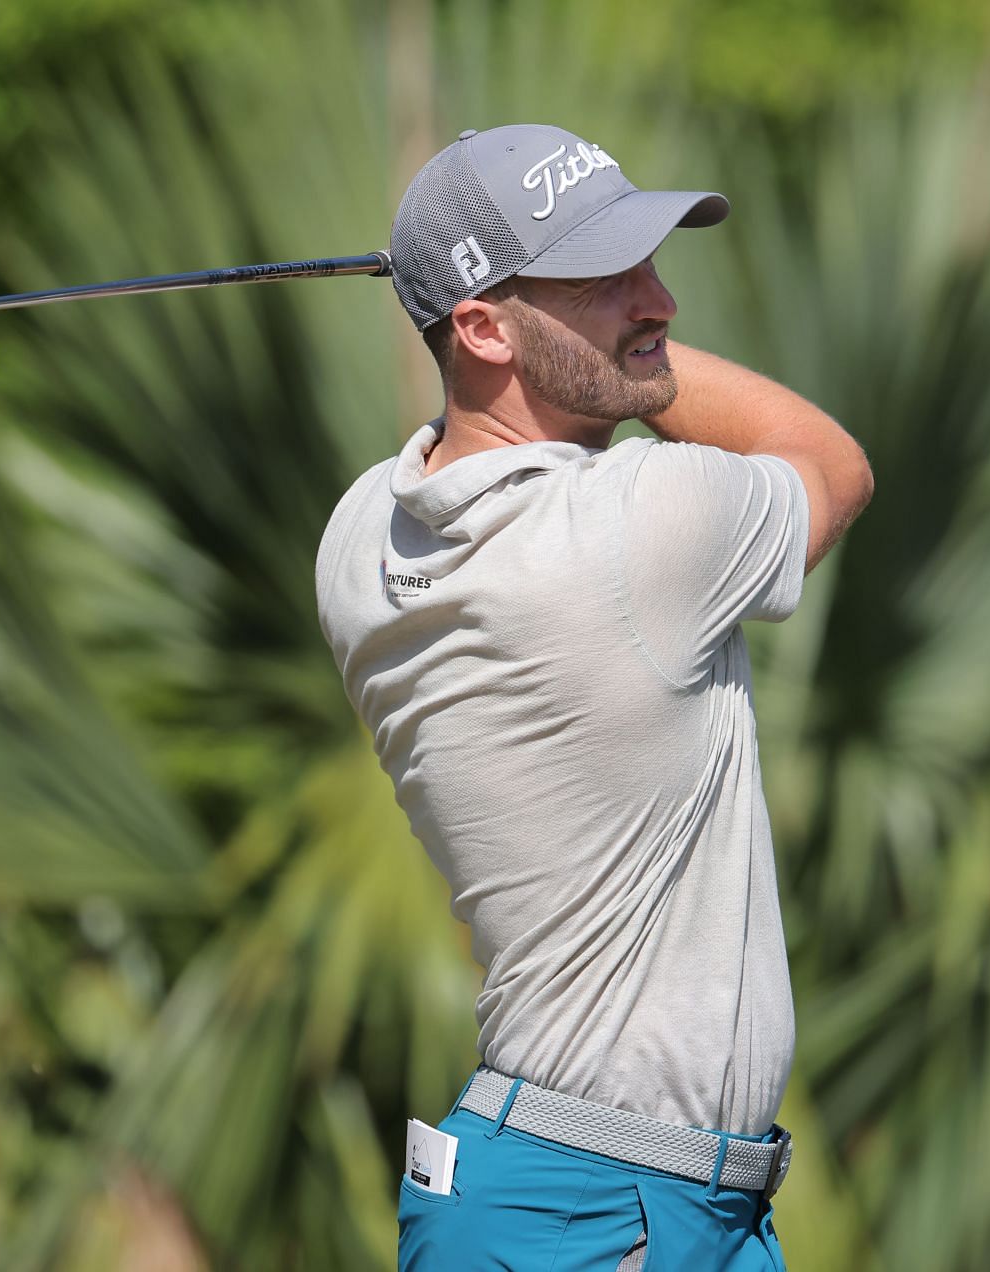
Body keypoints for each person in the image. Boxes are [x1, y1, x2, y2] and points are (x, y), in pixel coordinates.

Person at [315, 123, 873, 1271]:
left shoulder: (359, 540)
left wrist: (542, 326)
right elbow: (831, 464)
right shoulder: (634, 526)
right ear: (480, 326)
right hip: (602, 1212)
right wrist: (640, 361)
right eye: (606, 275)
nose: (657, 296)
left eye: (652, 264)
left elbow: (445, 448)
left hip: (586, 1197)